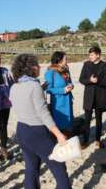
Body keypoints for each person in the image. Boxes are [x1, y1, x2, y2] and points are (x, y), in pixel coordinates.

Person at [10, 54, 71, 189]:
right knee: (59, 167)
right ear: (30, 68)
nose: (39, 66)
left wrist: (40, 89)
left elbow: (24, 102)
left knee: (31, 168)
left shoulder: (15, 86)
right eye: (37, 64)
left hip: (22, 130)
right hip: (37, 131)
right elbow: (43, 114)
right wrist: (58, 134)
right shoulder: (34, 86)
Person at [79, 46, 106, 149]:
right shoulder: (86, 64)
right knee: (87, 120)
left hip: (100, 96)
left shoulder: (104, 65)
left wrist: (98, 82)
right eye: (89, 54)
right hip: (89, 96)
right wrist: (90, 80)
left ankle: (98, 140)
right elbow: (81, 79)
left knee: (99, 120)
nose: (90, 56)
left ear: (98, 55)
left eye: (92, 54)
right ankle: (85, 141)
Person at [45, 51, 74, 134]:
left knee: (69, 127)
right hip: (58, 105)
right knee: (60, 127)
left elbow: (69, 82)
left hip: (68, 102)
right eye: (66, 59)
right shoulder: (50, 72)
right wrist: (63, 90)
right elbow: (48, 90)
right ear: (59, 60)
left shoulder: (66, 70)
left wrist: (71, 86)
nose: (67, 61)